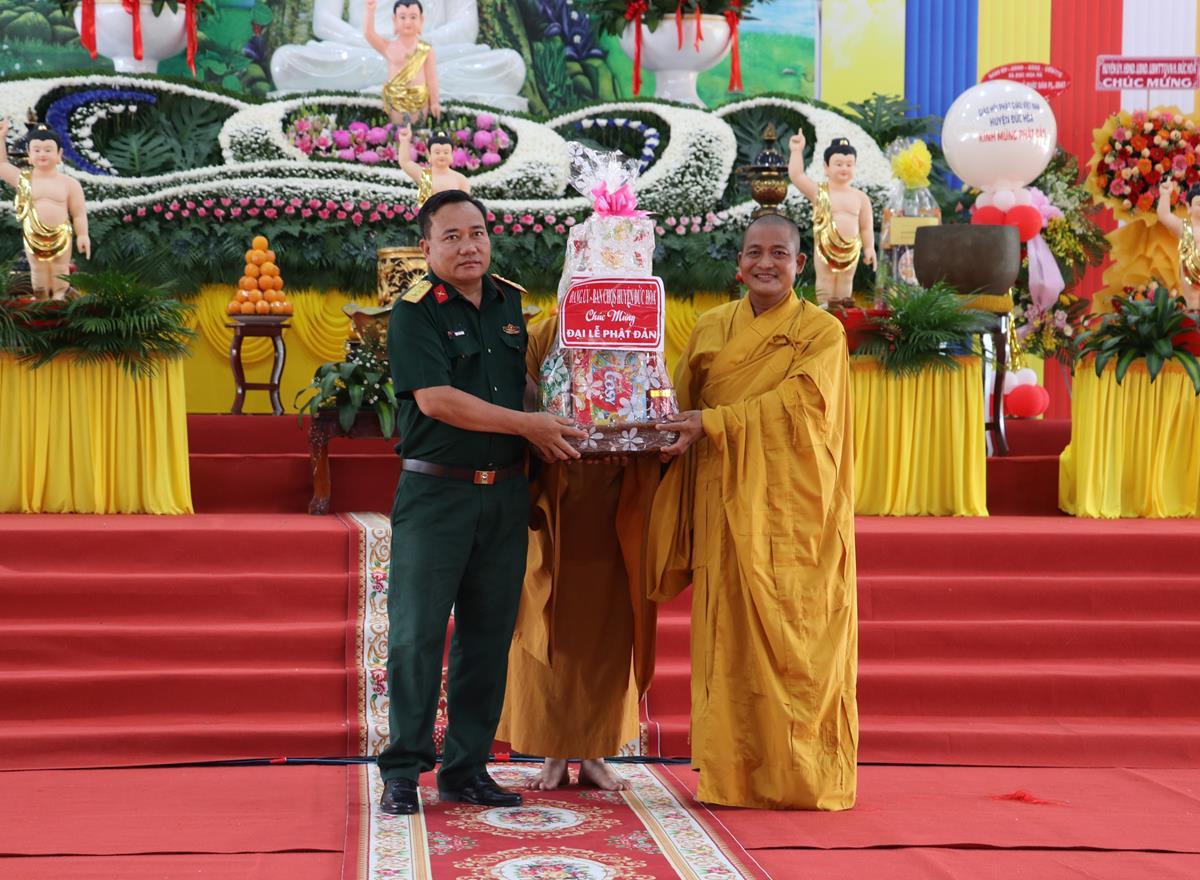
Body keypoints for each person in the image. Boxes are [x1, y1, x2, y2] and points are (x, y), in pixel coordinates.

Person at [377, 189, 586, 816]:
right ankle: (403, 771)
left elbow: (522, 386)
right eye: (452, 237)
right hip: (436, 494)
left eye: (477, 233)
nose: (468, 247)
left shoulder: (509, 303)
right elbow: (437, 400)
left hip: (504, 496)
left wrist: (571, 415)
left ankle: (466, 769)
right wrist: (529, 427)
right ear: (427, 247)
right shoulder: (414, 312)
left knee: (488, 637)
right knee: (415, 636)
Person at [647, 214, 858, 811]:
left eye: (779, 253)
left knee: (799, 636)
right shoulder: (711, 327)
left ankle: (804, 774)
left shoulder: (821, 333)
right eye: (754, 253)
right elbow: (678, 406)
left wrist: (714, 423)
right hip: (723, 499)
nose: (766, 263)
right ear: (738, 263)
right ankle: (732, 774)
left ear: (799, 263)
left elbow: (802, 407)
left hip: (794, 513)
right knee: (729, 636)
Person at [496, 314, 660, 792]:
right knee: (549, 620)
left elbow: (657, 395)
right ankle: (551, 751)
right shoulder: (545, 333)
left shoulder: (637, 327)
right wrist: (544, 433)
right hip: (555, 497)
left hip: (616, 497)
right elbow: (520, 399)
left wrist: (636, 440)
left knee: (608, 628)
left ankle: (595, 752)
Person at [269, 0, 527, 112]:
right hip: (364, 50)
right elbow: (324, 21)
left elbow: (466, 27)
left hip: (429, 53)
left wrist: (416, 48)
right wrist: (377, 46)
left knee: (510, 66)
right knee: (286, 62)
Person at [0, 120, 90, 300]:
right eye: (37, 150)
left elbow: (79, 213)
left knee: (60, 268)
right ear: (29, 154)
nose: (42, 154)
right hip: (33, 234)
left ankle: (59, 296)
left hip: (60, 234)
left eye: (48, 150)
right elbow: (2, 165)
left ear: (59, 154)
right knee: (38, 269)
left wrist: (83, 235)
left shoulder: (69, 183)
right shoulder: (23, 179)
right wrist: (1, 138)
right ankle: (41, 298)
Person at [788, 132, 875, 308]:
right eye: (839, 163)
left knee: (846, 279)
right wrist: (796, 151)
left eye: (849, 164)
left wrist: (869, 248)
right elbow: (797, 176)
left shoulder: (861, 197)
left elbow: (866, 227)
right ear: (826, 167)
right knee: (825, 278)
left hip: (851, 249)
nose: (844, 168)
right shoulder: (819, 192)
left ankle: (842, 311)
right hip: (825, 245)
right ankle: (824, 311)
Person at [364, 0, 440, 124]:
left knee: (417, 132)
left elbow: (432, 79)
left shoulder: (426, 50)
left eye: (413, 17)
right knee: (398, 131)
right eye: (402, 17)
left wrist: (435, 102)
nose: (408, 22)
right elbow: (369, 34)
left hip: (419, 102)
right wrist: (370, 9)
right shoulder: (389, 47)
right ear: (394, 20)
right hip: (395, 101)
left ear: (421, 20)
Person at [396, 128, 469, 206]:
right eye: (437, 152)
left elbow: (465, 206)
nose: (442, 155)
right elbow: (405, 162)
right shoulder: (425, 175)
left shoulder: (460, 179)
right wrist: (404, 141)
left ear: (451, 156)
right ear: (429, 156)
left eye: (446, 152)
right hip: (429, 212)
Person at [1156, 180, 1200, 310]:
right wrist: (1165, 195)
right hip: (1190, 271)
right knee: (1192, 300)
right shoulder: (1184, 227)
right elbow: (1164, 215)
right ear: (1189, 207)